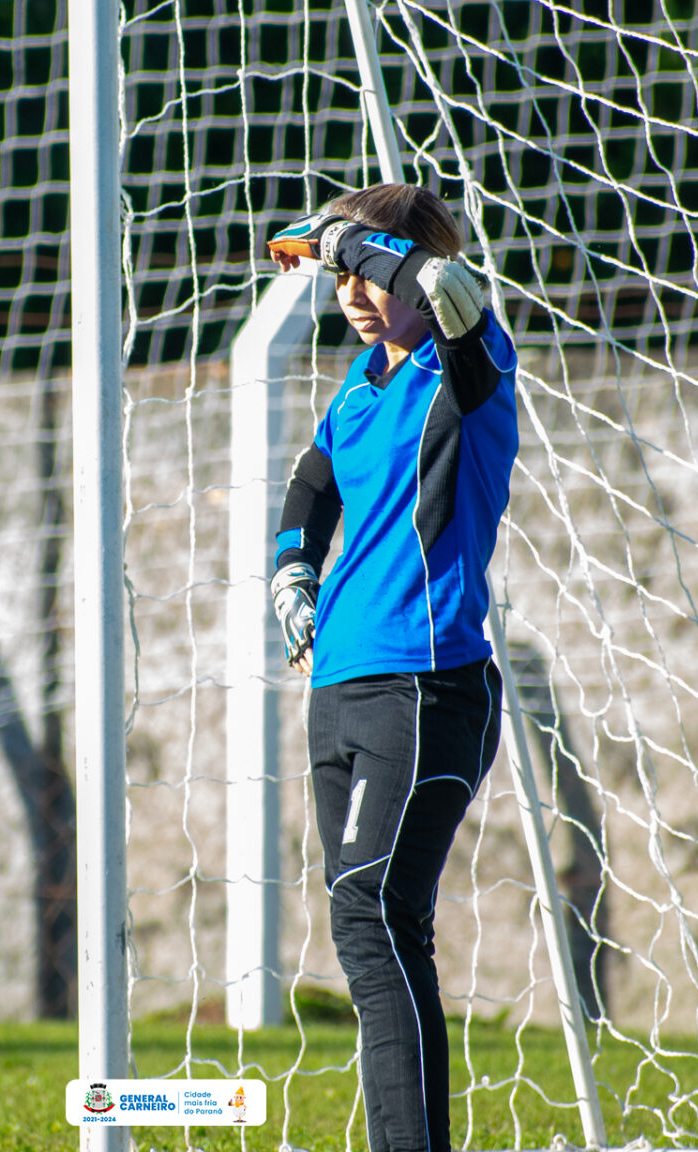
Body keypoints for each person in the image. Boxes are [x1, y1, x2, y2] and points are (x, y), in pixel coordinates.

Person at [265, 184, 518, 1152]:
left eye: (371, 272)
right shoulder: (361, 386)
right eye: (341, 277)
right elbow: (310, 487)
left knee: (372, 914)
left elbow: (447, 289)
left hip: (429, 687)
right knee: (375, 929)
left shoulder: (470, 365)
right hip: (340, 694)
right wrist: (292, 570)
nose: (356, 291)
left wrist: (357, 242)